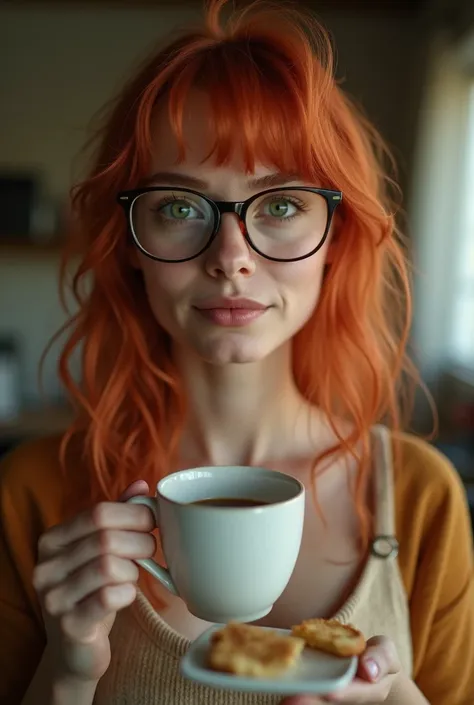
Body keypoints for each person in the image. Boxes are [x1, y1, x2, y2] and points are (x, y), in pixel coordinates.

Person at [1, 0, 473, 703]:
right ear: (131, 245)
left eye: (279, 204)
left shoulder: (420, 497)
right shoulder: (35, 491)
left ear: (336, 239)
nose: (231, 258)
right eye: (180, 206)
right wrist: (68, 672)